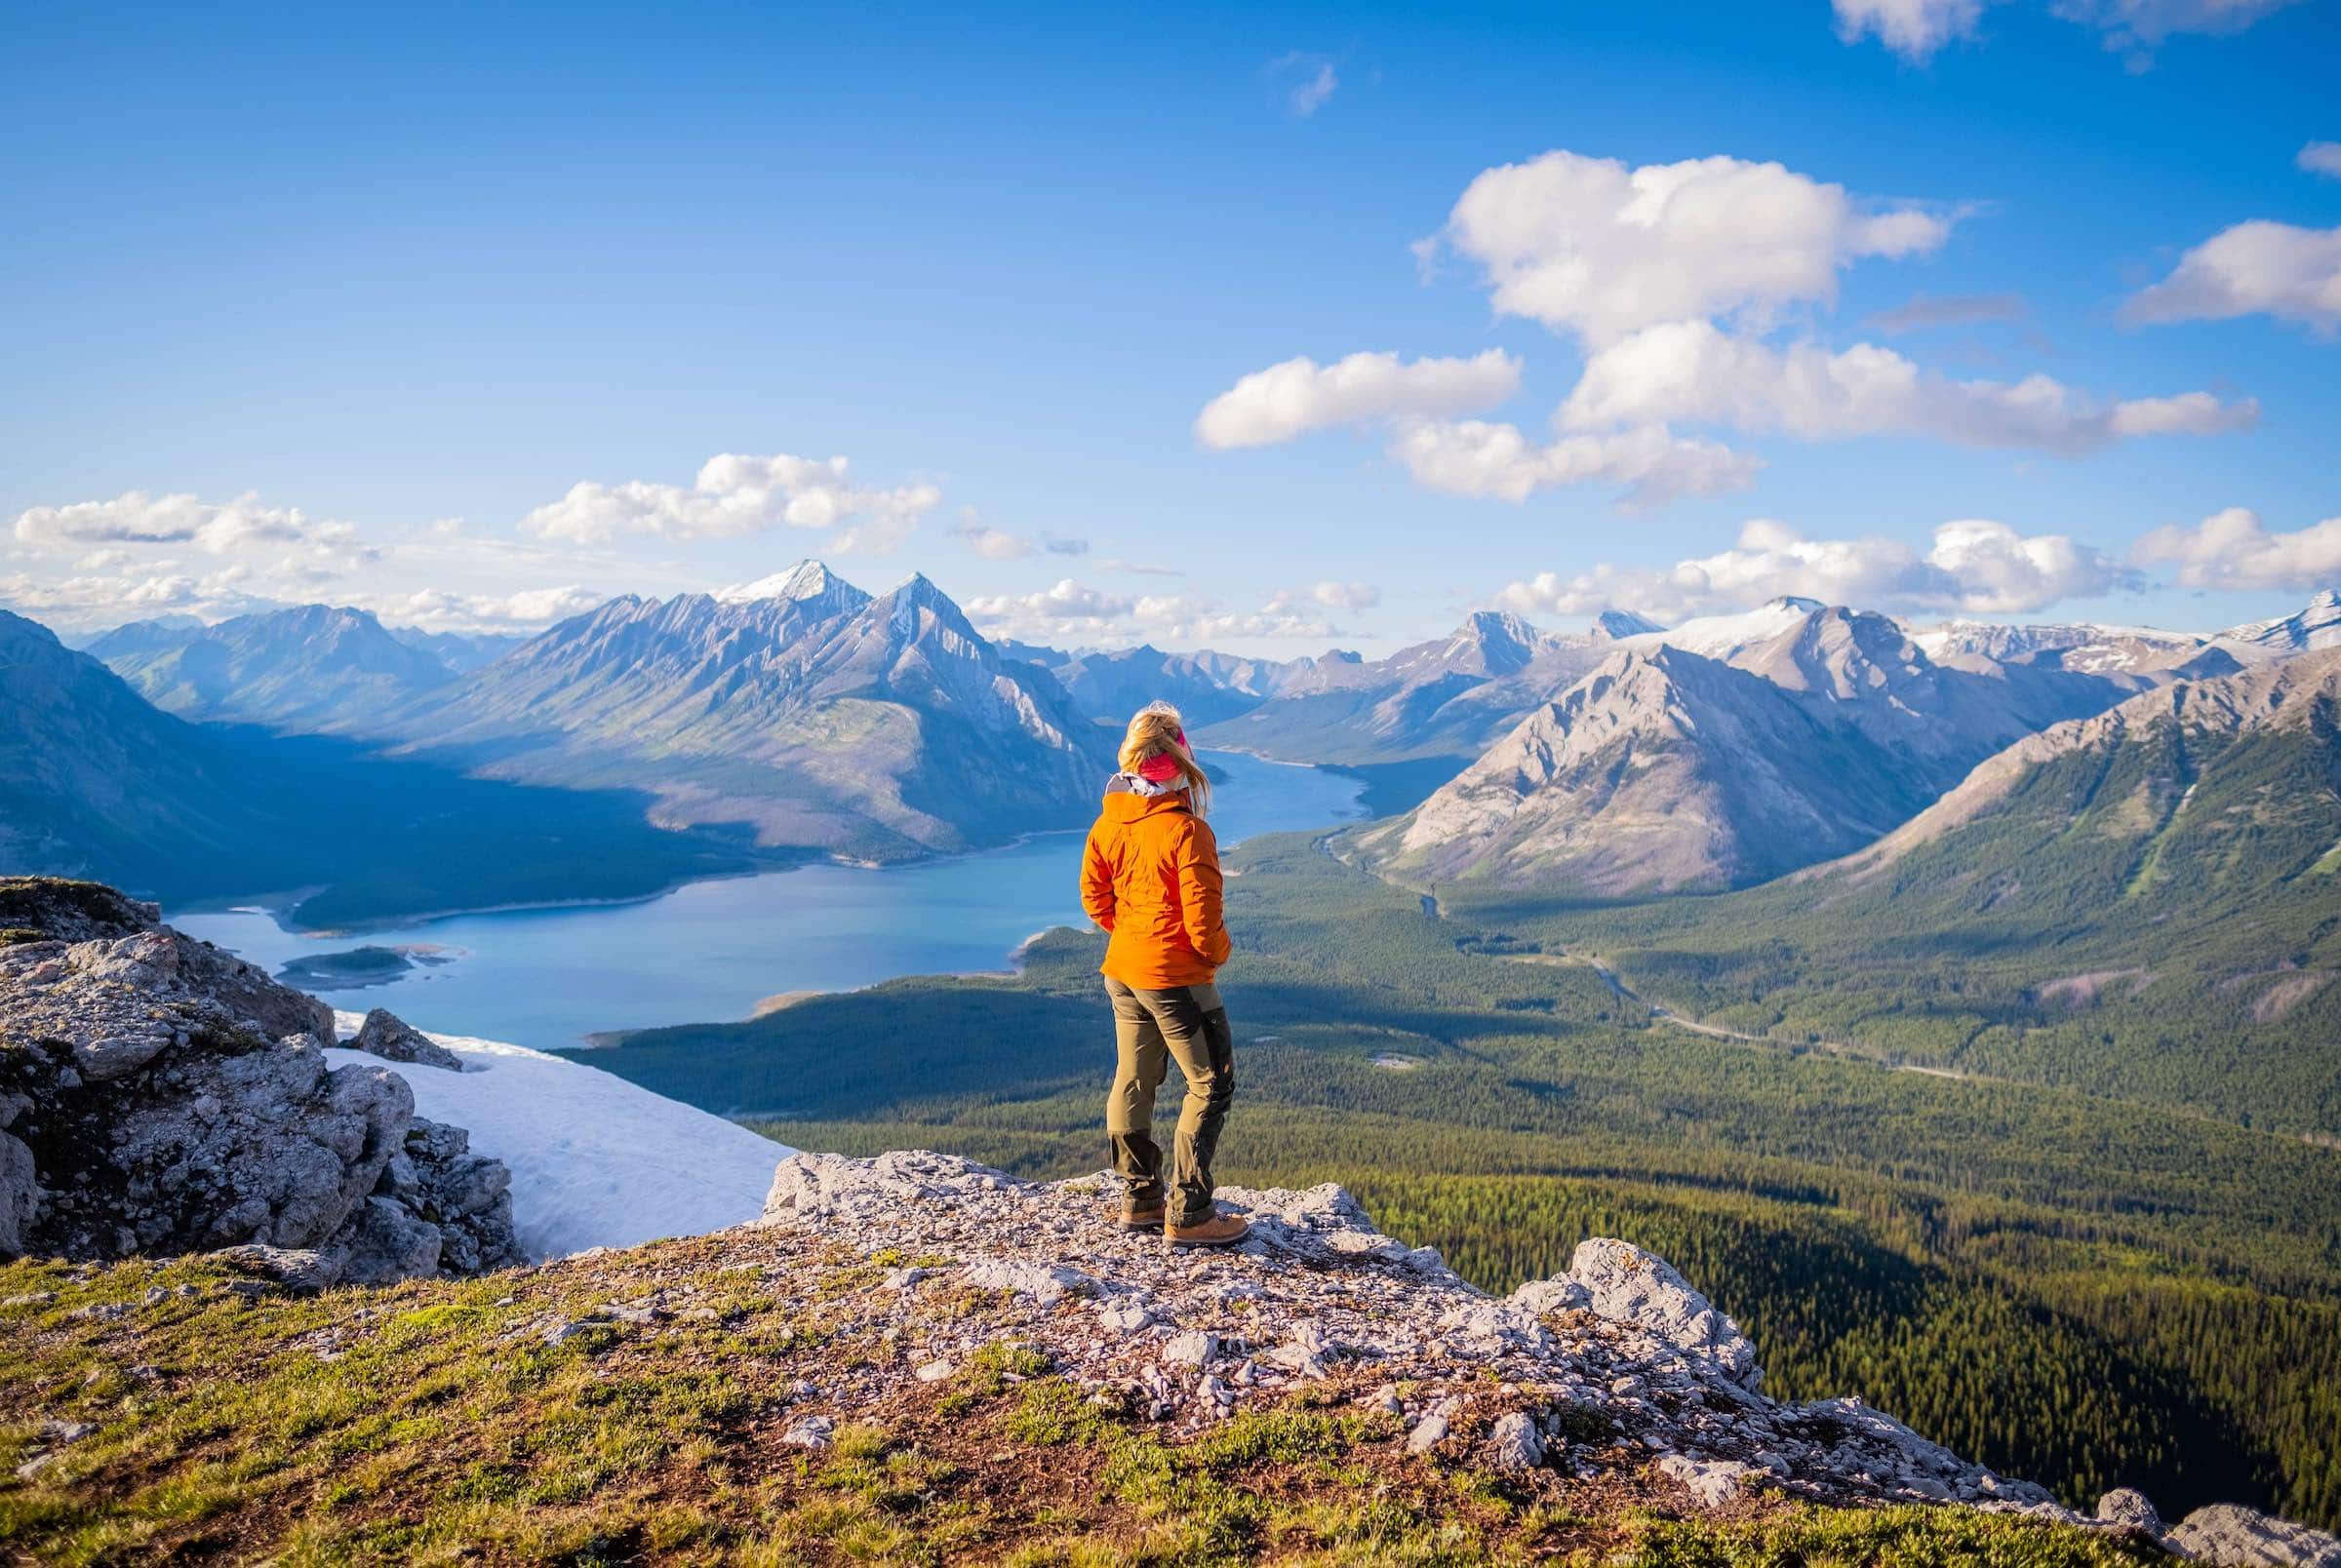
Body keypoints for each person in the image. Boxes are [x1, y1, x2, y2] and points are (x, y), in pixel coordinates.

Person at [1079, 702, 1249, 1246]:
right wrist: (1214, 957)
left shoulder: (1108, 822)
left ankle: (1139, 1200)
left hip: (1123, 972)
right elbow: (1204, 927)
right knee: (1211, 1085)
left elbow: (1094, 900)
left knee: (1134, 1077)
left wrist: (1132, 934)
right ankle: (1191, 1212)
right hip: (1175, 979)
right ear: (1181, 758)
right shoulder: (1187, 831)